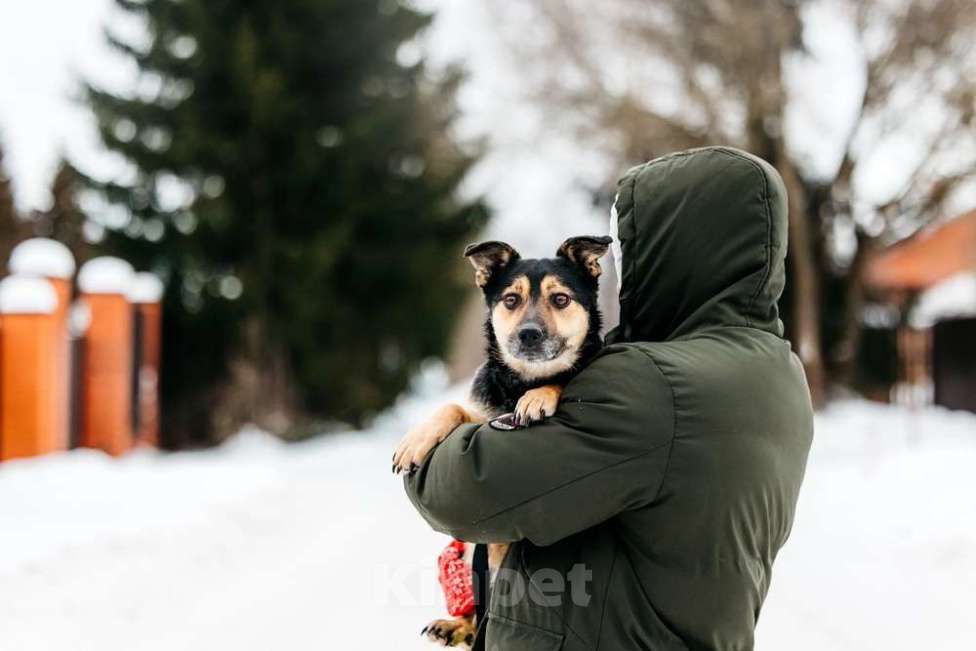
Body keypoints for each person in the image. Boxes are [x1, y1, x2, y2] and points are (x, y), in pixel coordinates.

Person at [403, 146, 814, 650]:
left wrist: (439, 449)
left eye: (629, 243)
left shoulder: (653, 382)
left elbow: (463, 493)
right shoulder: (774, 368)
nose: (624, 261)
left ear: (671, 250)